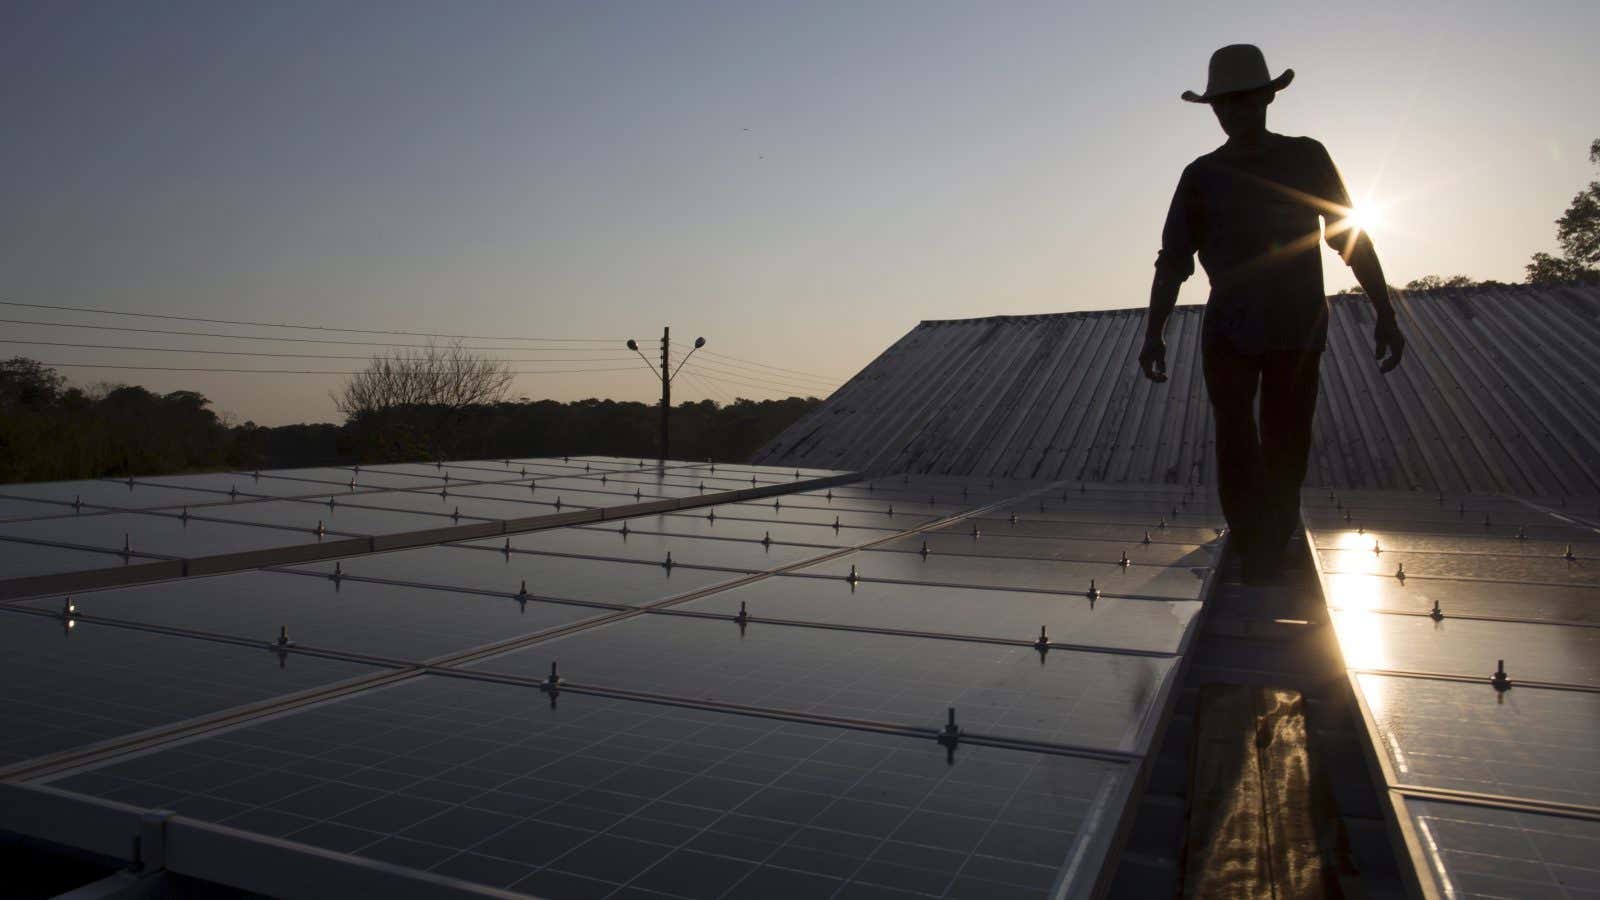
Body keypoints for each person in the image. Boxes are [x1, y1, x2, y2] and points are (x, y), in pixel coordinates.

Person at [1139, 44, 1405, 584]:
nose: (1231, 111)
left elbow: (1348, 236)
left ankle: (1272, 537)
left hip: (1295, 327)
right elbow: (1173, 261)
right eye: (1223, 103)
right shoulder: (1201, 175)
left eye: (1240, 100)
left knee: (1285, 437)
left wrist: (1385, 309)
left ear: (1264, 99)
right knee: (1237, 437)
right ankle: (1253, 539)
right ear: (1216, 109)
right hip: (1235, 329)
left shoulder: (1305, 155)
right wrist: (1154, 332)